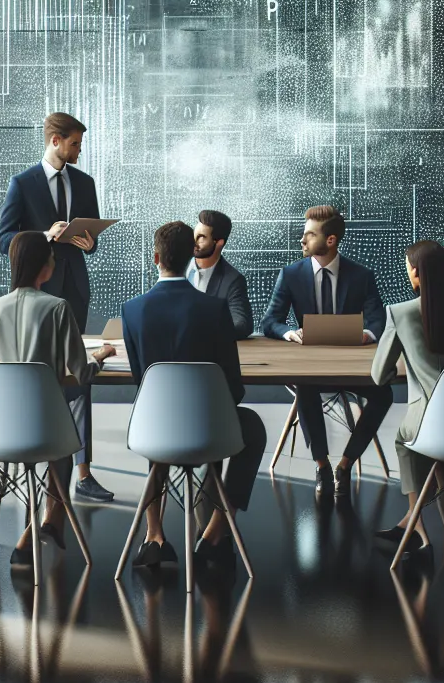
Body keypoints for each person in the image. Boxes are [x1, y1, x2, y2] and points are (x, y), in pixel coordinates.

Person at [121, 221, 267, 570]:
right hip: (208, 430)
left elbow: (142, 383)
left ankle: (154, 535)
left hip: (154, 429)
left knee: (158, 418)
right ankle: (215, 532)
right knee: (252, 427)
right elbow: (233, 386)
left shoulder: (132, 310)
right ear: (191, 256)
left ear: (156, 257)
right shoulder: (214, 310)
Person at [0, 111, 113, 503]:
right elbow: (3, 238)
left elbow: (92, 238)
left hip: (73, 292)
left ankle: (82, 471)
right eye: (75, 143)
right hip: (36, 292)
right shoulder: (23, 183)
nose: (79, 150)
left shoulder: (84, 182)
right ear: (56, 141)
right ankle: (34, 449)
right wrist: (44, 235)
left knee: (78, 380)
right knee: (37, 375)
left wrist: (88, 242)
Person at [0, 231, 117, 568]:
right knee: (64, 448)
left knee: (58, 440)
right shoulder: (57, 308)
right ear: (46, 267)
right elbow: (81, 373)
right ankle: (46, 522)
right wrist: (99, 356)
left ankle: (41, 528)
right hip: (44, 431)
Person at [258, 204, 389, 498]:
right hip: (311, 369)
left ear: (330, 240)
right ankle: (322, 466)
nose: (302, 241)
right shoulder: (291, 274)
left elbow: (377, 321)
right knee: (306, 386)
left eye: (309, 234)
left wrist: (365, 335)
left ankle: (345, 464)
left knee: (385, 394)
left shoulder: (361, 275)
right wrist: (291, 333)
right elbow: (270, 322)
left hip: (350, 369)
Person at [371, 241, 444, 564]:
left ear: (417, 274)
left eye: (409, 268)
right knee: (441, 449)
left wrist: (406, 361)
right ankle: (436, 526)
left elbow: (379, 375)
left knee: (404, 440)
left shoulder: (399, 313)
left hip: (427, 422)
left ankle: (417, 525)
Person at [188, 209, 253, 337]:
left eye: (201, 237)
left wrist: (201, 333)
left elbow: (242, 324)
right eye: (194, 235)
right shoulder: (176, 267)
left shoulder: (233, 280)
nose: (194, 242)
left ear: (219, 243)